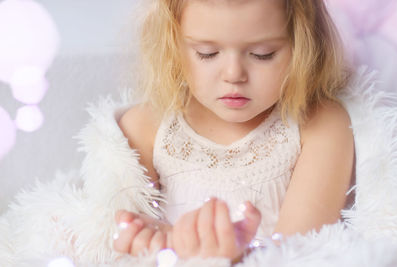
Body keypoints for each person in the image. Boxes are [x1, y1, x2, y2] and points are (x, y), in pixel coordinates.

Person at [113, 0, 354, 263]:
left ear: (302, 45)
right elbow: (109, 241)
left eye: (263, 54)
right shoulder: (146, 126)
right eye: (207, 53)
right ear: (172, 45)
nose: (233, 75)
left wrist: (231, 256)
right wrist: (149, 241)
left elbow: (300, 254)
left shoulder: (320, 125)